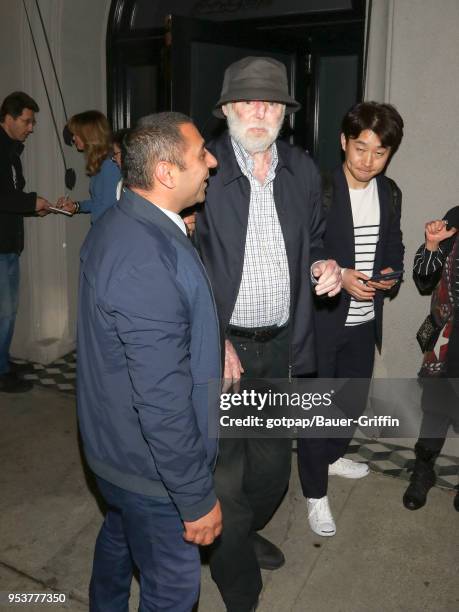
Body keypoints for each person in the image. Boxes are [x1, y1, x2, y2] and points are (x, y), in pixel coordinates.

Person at [195, 56, 341, 612]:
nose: (259, 111)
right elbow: (183, 264)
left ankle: (242, 533)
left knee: (272, 470)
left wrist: (322, 265)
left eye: (271, 103)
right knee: (225, 477)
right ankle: (239, 584)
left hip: (279, 343)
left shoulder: (302, 169)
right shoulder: (203, 169)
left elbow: (317, 238)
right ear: (227, 109)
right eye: (248, 102)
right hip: (223, 348)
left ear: (285, 112)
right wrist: (213, 338)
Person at [77, 112, 222, 611]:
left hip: (115, 453)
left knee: (119, 538)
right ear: (165, 173)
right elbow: (161, 402)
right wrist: (196, 496)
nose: (212, 161)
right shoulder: (144, 258)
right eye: (201, 154)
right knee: (173, 589)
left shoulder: (126, 221)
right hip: (150, 468)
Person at [297, 101, 405, 537]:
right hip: (322, 321)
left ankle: (332, 455)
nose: (368, 161)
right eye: (361, 148)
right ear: (343, 142)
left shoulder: (390, 192)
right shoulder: (319, 188)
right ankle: (314, 493)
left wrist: (389, 278)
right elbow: (304, 248)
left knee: (350, 403)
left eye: (380, 152)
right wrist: (338, 273)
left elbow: (393, 246)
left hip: (364, 322)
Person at [403, 206, 459, 512]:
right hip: (449, 340)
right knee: (436, 408)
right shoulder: (456, 218)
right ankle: (422, 472)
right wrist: (433, 245)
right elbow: (424, 282)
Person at [0, 91, 50, 393]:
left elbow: (13, 198)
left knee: (8, 311)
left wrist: (34, 207)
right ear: (8, 118)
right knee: (4, 312)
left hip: (8, 245)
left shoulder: (11, 150)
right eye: (27, 121)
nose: (31, 127)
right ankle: (1, 371)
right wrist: (32, 203)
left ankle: (3, 362)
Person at [57, 110, 121, 223]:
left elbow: (107, 211)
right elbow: (98, 203)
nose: (73, 138)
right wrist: (76, 206)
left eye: (76, 134)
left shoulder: (110, 165)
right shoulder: (101, 162)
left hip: (106, 232)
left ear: (88, 134)